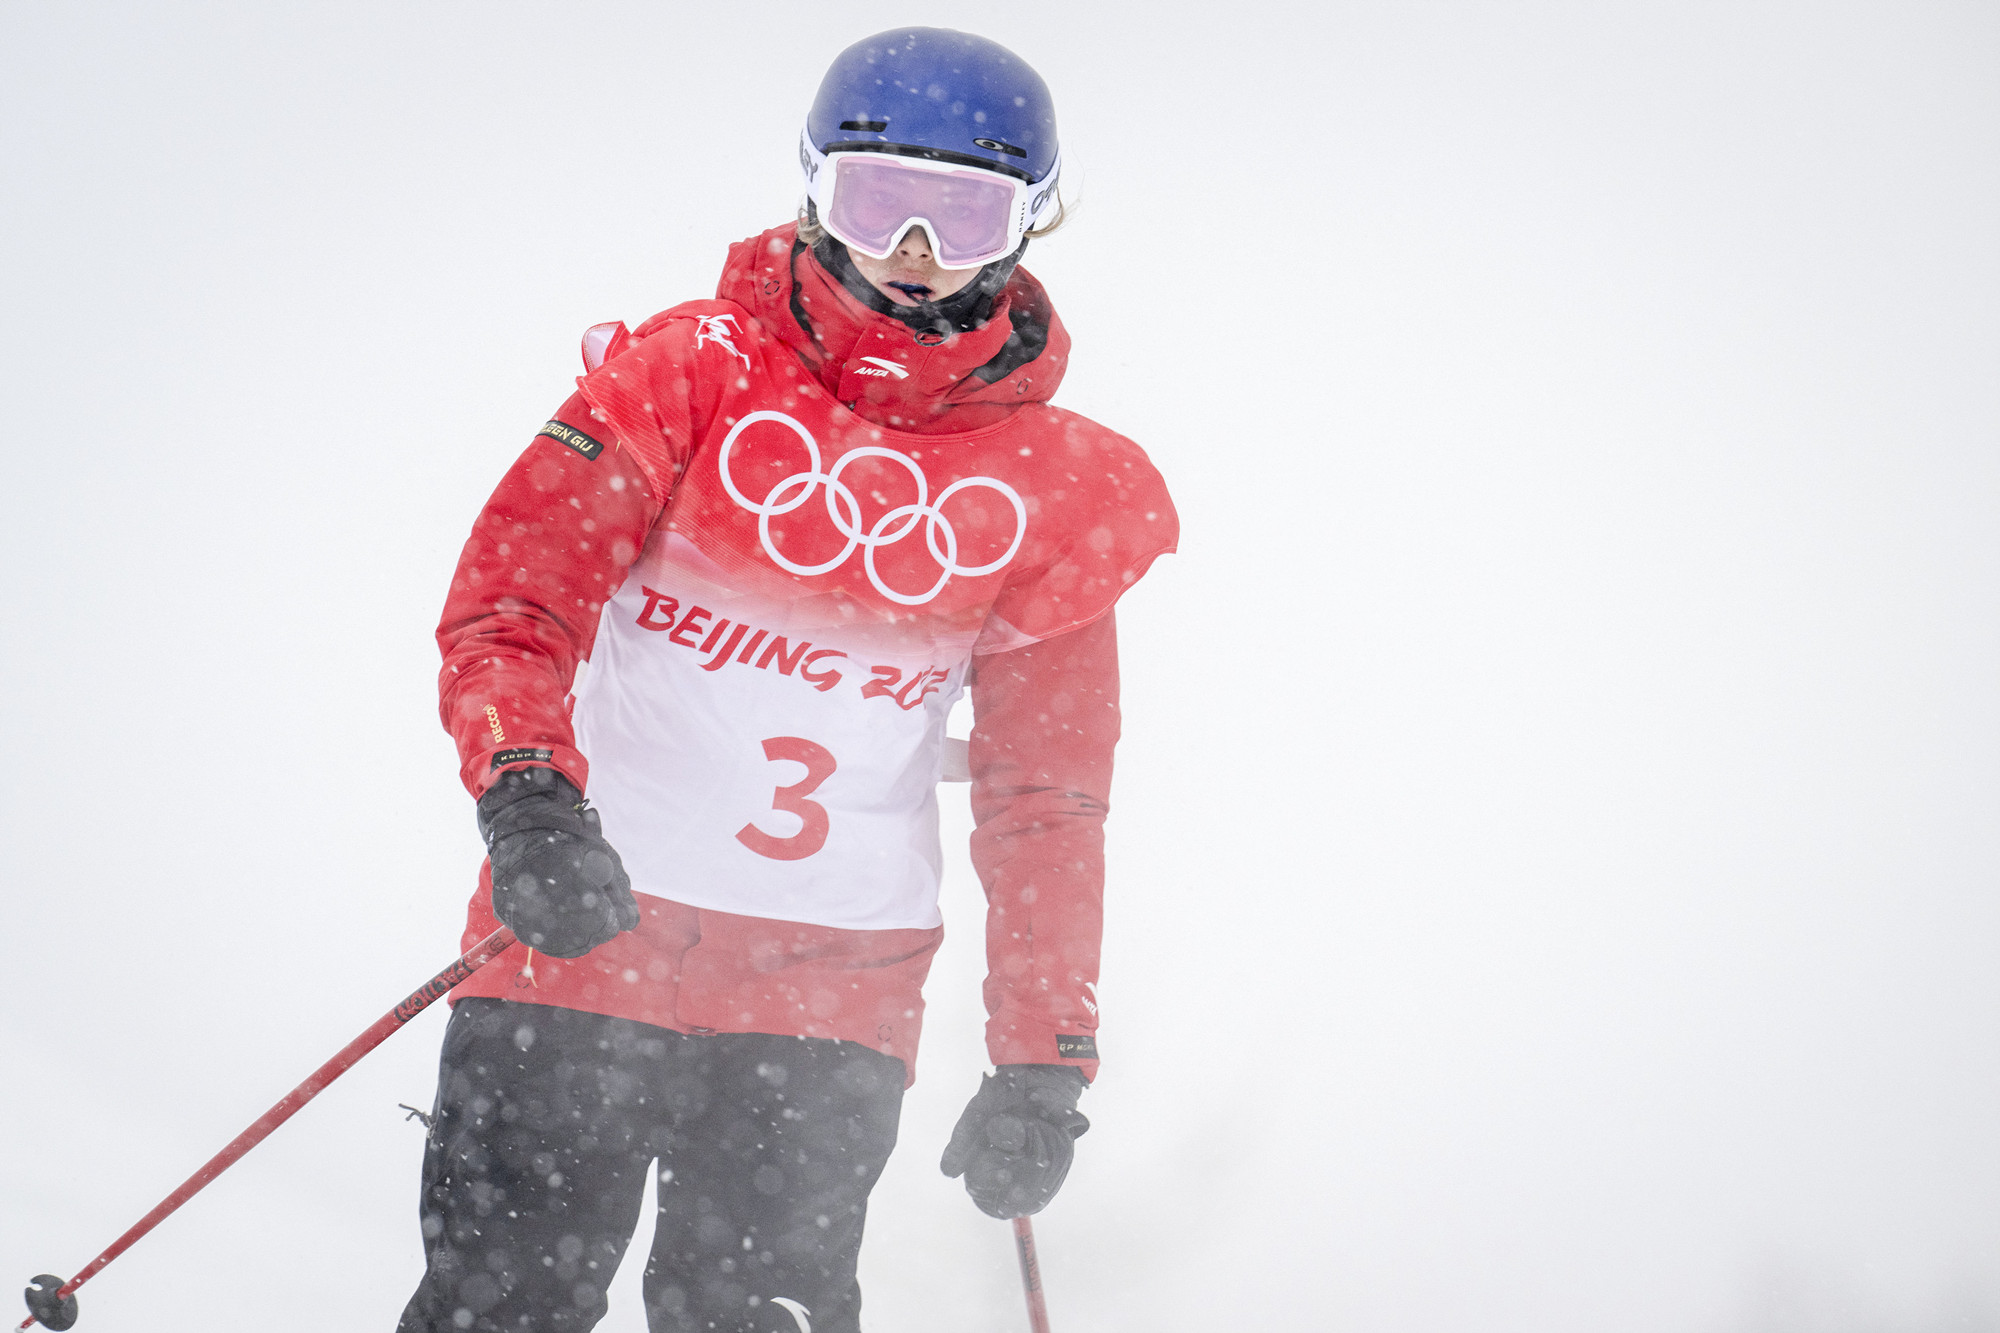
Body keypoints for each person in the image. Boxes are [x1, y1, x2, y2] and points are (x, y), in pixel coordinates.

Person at [398, 27, 1177, 1333]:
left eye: (964, 212)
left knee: (757, 1315)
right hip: (581, 942)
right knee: (502, 1305)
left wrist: (1042, 1055)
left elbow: (1047, 796)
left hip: (831, 991)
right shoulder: (685, 374)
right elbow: (513, 605)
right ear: (815, 187)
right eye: (881, 201)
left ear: (1029, 227)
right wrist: (527, 796)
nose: (914, 252)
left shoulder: (1056, 491)